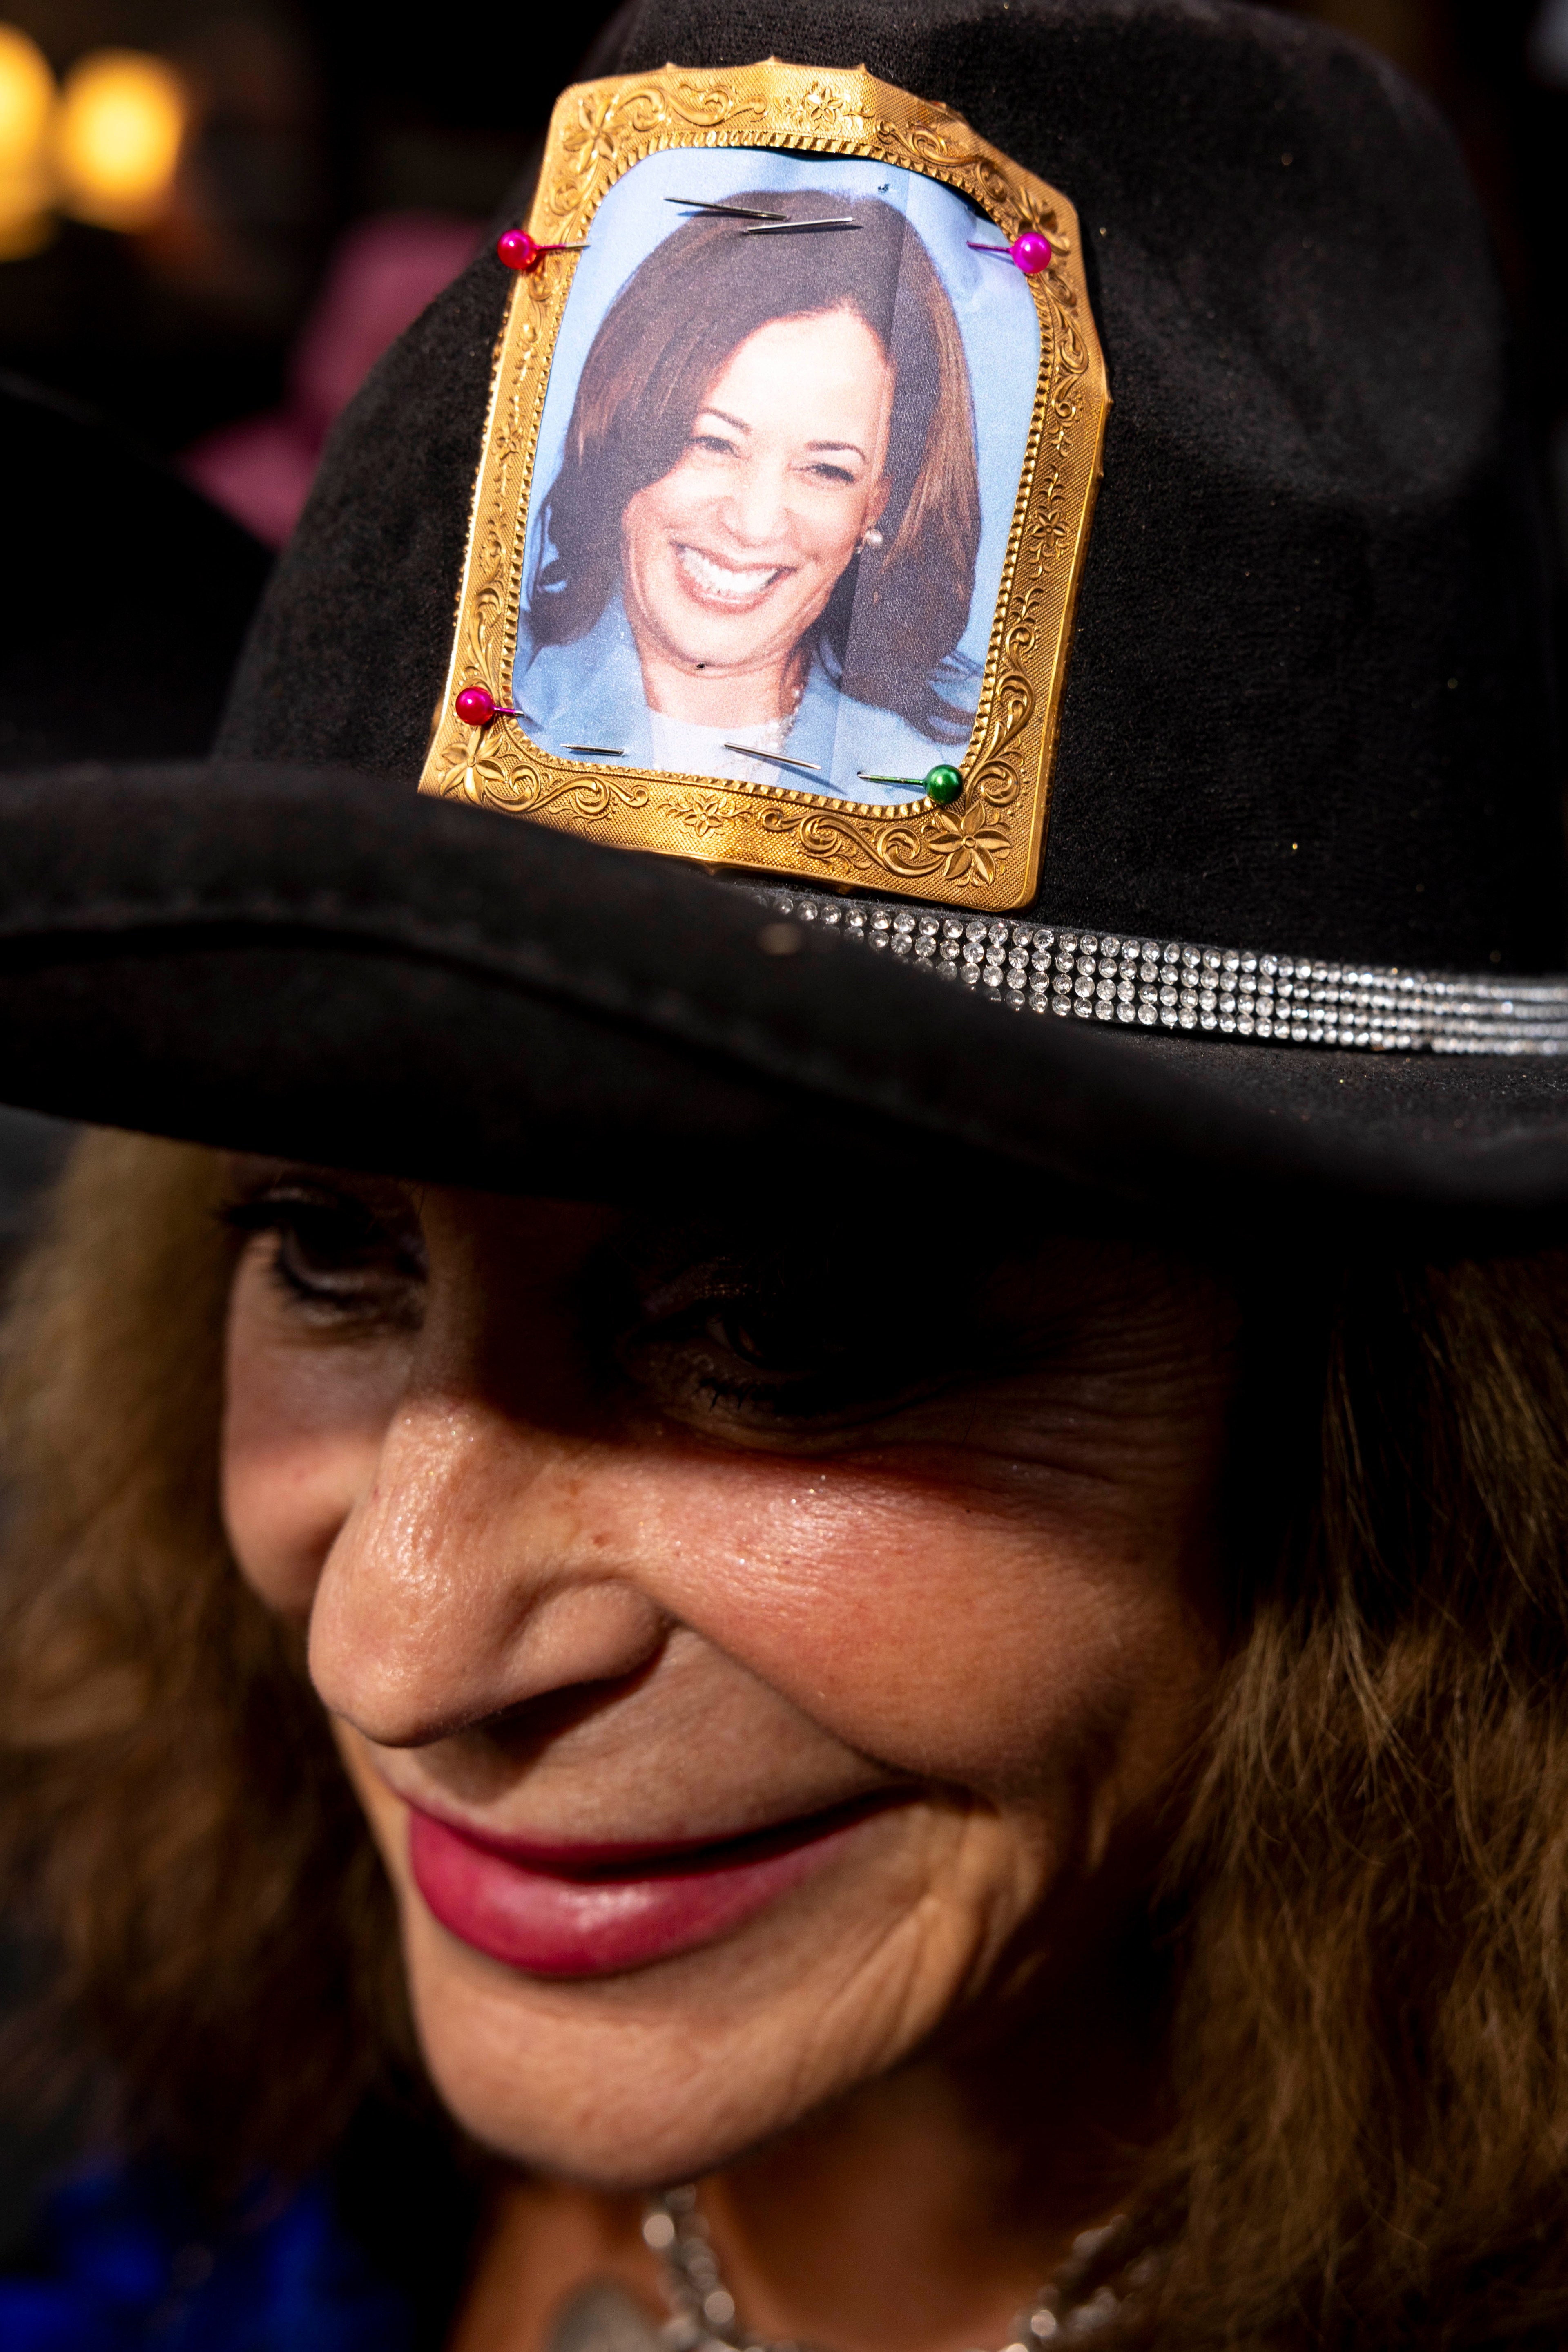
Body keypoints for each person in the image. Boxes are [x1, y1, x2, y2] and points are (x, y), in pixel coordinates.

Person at [2, 0, 1568, 2347]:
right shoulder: (204, 2102)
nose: (391, 1645)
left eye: (783, 1330)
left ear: (1399, 1460)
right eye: (330, 1250)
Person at [517, 189, 983, 797]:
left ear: (879, 503)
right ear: (623, 433)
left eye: (827, 470)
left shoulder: (974, 746)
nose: (755, 524)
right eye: (712, 443)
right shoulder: (486, 691)